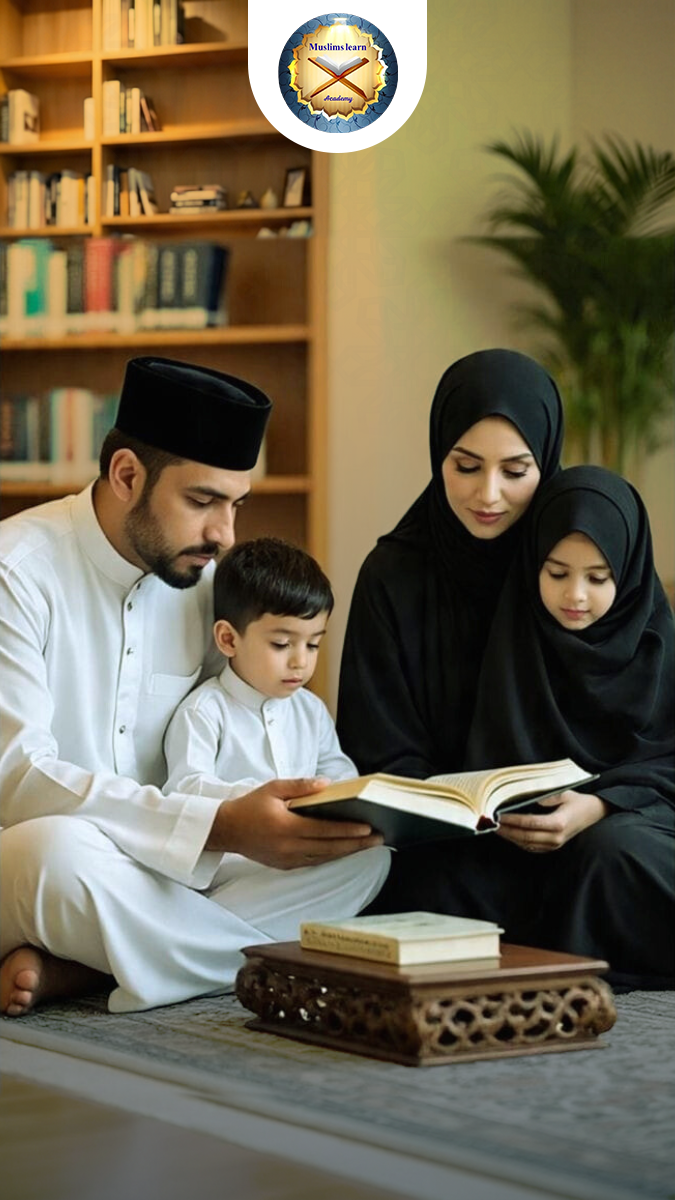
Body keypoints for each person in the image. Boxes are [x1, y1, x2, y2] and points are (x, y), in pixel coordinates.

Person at [0, 357, 389, 1017]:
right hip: (49, 858)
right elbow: (17, 777)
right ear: (126, 475)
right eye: (202, 502)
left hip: (173, 877)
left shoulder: (209, 590)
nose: (224, 535)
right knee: (53, 849)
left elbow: (240, 720)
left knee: (359, 860)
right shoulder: (17, 572)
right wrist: (213, 825)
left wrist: (295, 815)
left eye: (236, 505)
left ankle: (93, 965)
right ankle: (153, 958)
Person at [372, 467, 675, 989]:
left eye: (597, 578)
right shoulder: (515, 635)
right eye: (556, 573)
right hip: (516, 847)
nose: (574, 595)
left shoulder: (657, 647)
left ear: (627, 574)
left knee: (613, 856)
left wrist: (599, 806)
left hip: (623, 831)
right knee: (423, 877)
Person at [336, 348, 564, 778]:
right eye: (467, 467)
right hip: (431, 832)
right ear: (439, 455)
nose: (488, 494)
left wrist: (592, 807)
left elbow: (632, 735)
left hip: (568, 831)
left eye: (515, 472)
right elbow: (374, 745)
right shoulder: (389, 576)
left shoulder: (572, 571)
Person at [163, 535, 360, 802]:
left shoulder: (311, 710)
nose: (300, 661)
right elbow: (186, 787)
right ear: (228, 639)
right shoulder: (204, 713)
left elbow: (340, 773)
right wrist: (259, 798)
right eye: (281, 644)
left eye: (313, 645)